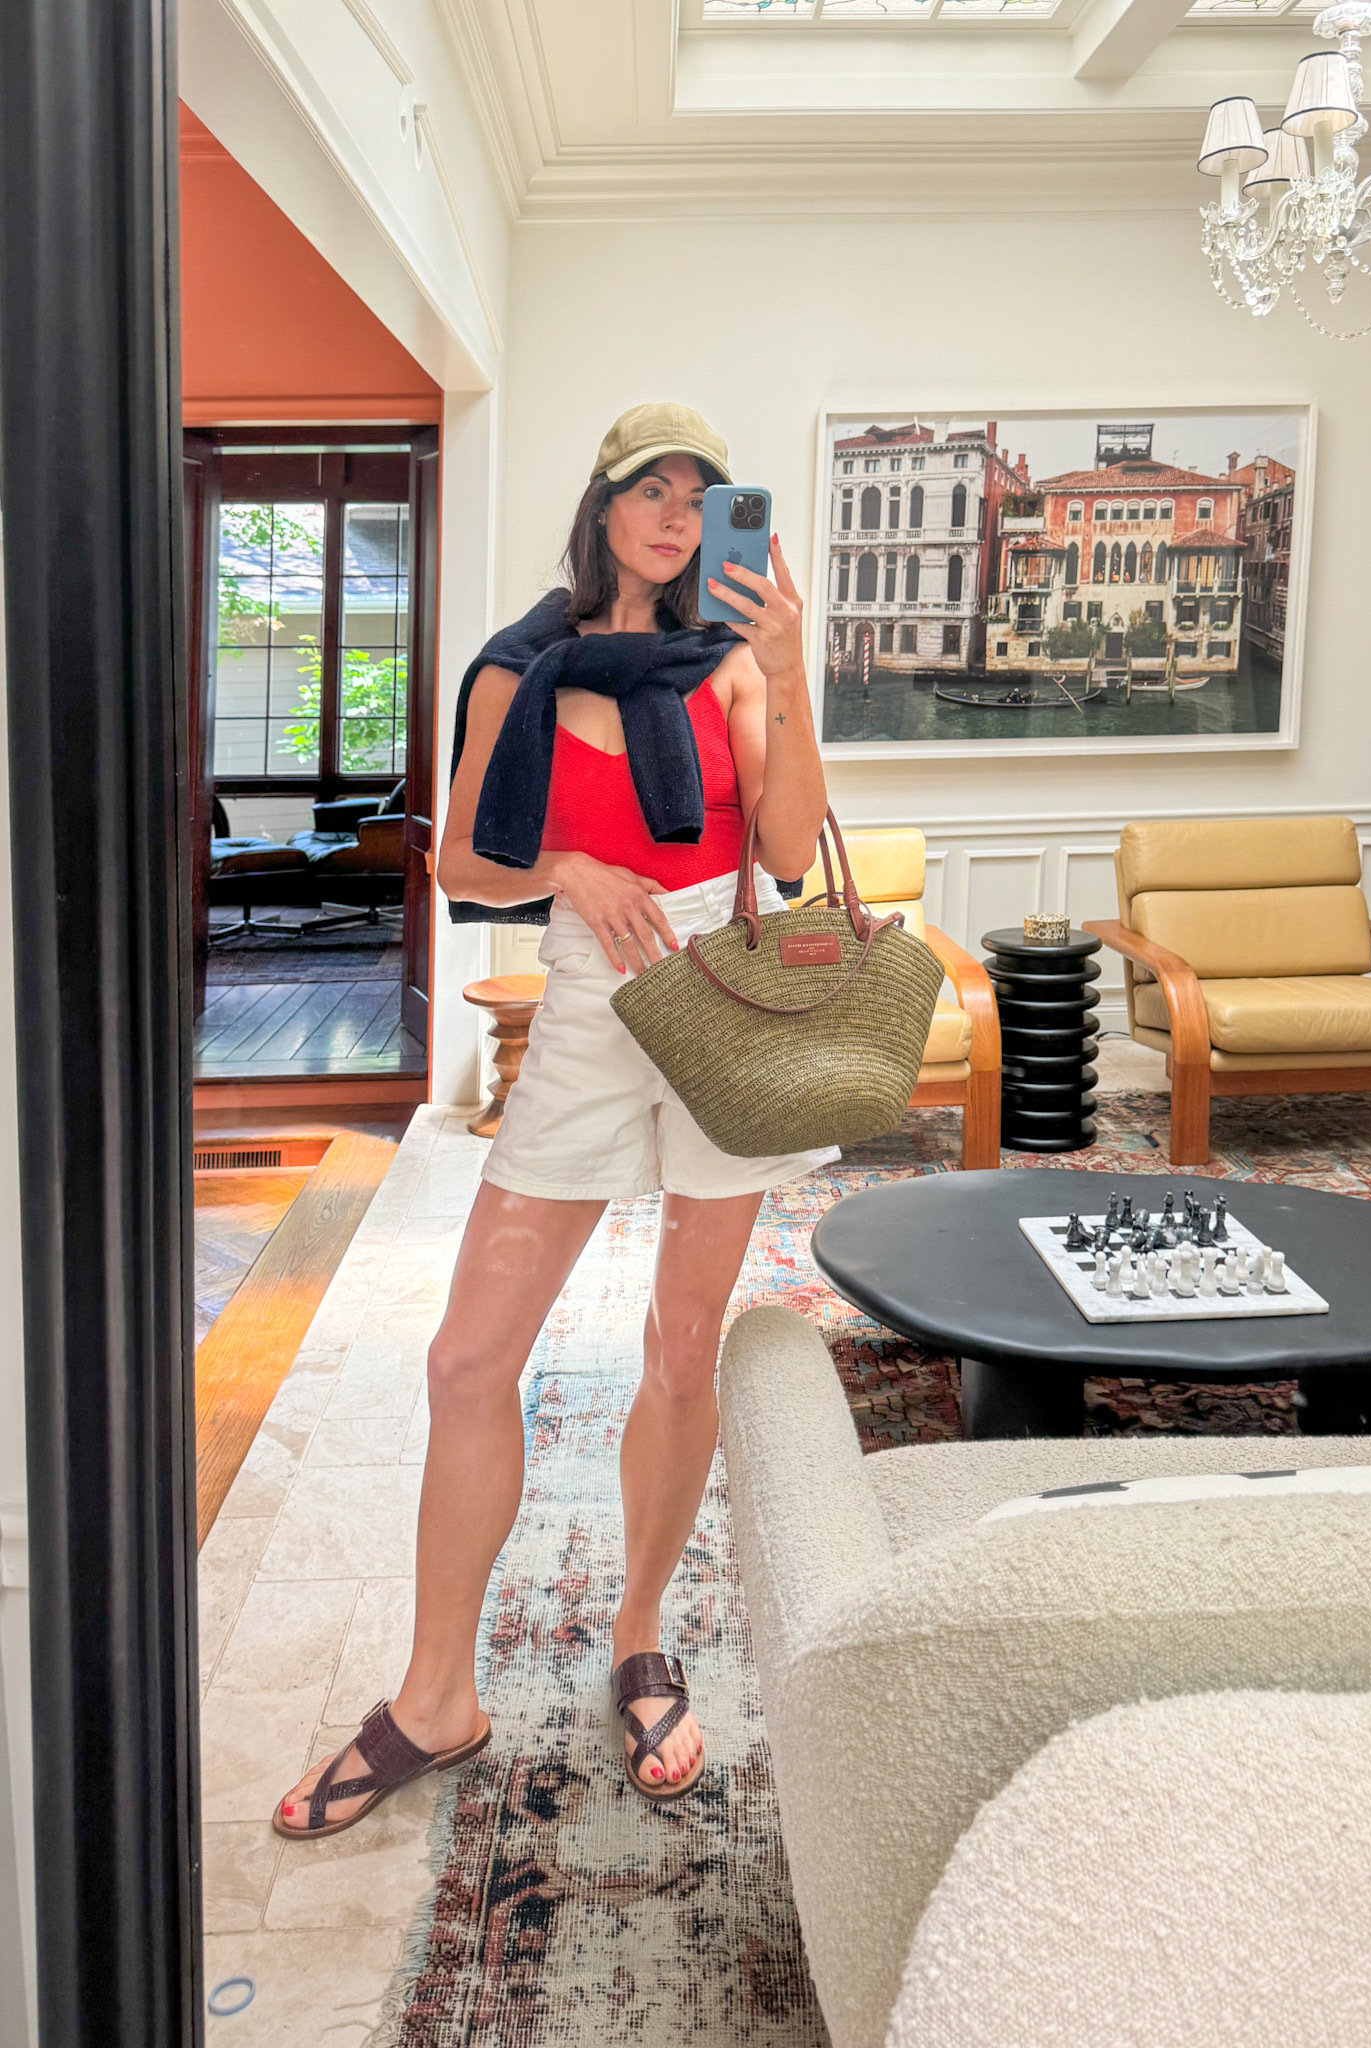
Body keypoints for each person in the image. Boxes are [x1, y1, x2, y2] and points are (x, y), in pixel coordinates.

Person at [273, 402, 834, 1836]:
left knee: (684, 1345)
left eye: (701, 496)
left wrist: (789, 671)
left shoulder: (730, 666)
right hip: (592, 999)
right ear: (602, 506)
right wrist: (571, 868)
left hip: (729, 986)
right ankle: (434, 1697)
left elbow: (785, 849)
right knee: (469, 1358)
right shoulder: (519, 671)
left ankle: (641, 1631)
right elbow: (461, 853)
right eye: (651, 488)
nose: (677, 514)